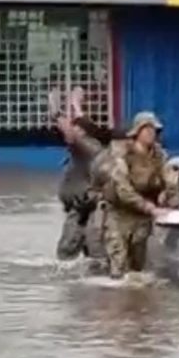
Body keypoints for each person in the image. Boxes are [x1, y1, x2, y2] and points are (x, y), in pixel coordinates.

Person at [99, 111, 179, 279]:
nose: (151, 134)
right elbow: (123, 190)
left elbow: (171, 182)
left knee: (138, 270)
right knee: (118, 266)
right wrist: (150, 208)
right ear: (137, 132)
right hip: (118, 214)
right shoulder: (122, 156)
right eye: (147, 129)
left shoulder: (160, 156)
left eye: (154, 130)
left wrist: (170, 199)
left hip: (142, 217)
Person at [52, 87, 125, 261]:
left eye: (78, 128)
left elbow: (71, 134)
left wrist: (57, 112)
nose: (75, 130)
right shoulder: (96, 148)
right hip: (84, 205)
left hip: (87, 207)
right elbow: (87, 128)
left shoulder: (90, 149)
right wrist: (76, 106)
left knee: (79, 250)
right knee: (84, 250)